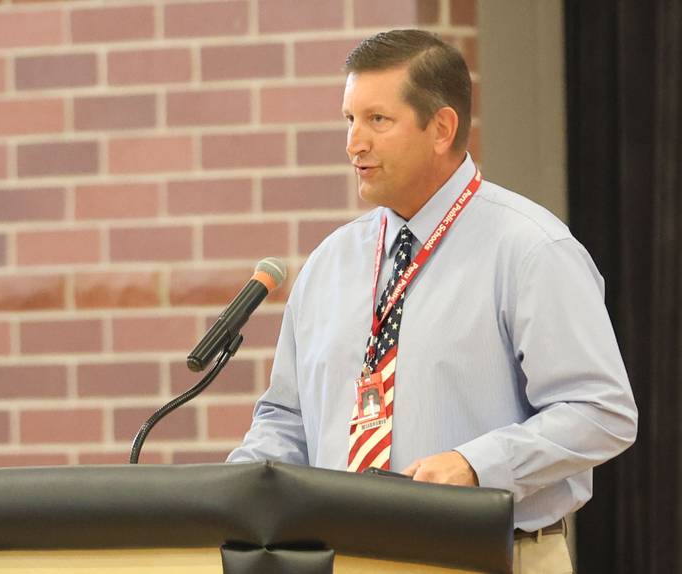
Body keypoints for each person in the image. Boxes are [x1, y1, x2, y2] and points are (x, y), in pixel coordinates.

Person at [227, 29, 637, 573]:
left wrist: (476, 464)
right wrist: (229, 498)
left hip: (489, 556)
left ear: (441, 128)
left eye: (378, 120)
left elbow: (601, 412)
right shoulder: (330, 262)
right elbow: (286, 417)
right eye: (350, 120)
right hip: (343, 559)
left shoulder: (531, 250)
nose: (354, 143)